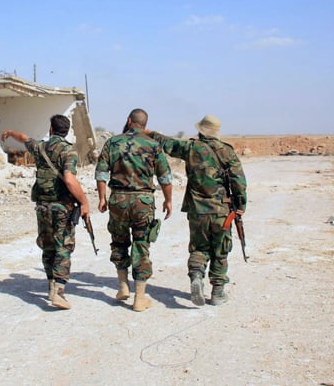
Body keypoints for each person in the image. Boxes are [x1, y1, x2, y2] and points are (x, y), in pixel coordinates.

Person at [146, 115, 247, 306]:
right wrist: (240, 207)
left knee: (199, 247)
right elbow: (239, 183)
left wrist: (150, 133)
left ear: (201, 130)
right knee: (220, 249)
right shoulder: (227, 152)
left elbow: (169, 144)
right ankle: (217, 292)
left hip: (197, 210)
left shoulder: (190, 148)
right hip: (221, 210)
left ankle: (196, 277)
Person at [0, 115, 90, 310]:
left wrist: (9, 133)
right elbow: (69, 179)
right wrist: (84, 201)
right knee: (63, 247)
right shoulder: (69, 150)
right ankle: (58, 291)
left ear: (51, 129)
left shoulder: (41, 147)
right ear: (66, 131)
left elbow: (23, 138)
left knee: (48, 245)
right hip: (62, 207)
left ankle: (51, 284)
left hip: (42, 206)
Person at [94, 108, 173, 312]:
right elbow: (165, 177)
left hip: (118, 200)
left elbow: (101, 173)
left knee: (119, 242)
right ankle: (139, 297)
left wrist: (102, 198)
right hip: (143, 201)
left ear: (129, 121)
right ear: (145, 125)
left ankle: (122, 286)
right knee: (141, 245)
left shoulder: (112, 143)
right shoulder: (153, 145)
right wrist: (168, 200)